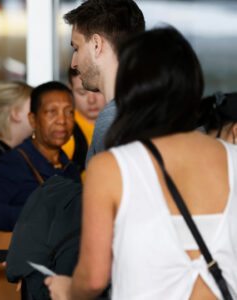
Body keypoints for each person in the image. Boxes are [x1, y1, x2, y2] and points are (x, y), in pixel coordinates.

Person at [45, 27, 237, 300]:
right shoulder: (231, 160)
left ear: (130, 86)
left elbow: (94, 278)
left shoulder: (111, 168)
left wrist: (67, 289)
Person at [0, 81, 81, 231]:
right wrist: (35, 215)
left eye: (69, 112)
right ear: (33, 119)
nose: (62, 120)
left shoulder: (70, 167)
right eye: (51, 112)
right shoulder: (14, 163)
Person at [64, 0, 145, 165]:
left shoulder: (112, 123)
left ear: (96, 45)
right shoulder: (158, 110)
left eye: (77, 48)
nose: (74, 63)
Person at [61, 68, 106, 174]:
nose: (91, 100)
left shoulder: (124, 125)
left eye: (97, 90)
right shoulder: (65, 133)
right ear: (70, 90)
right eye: (82, 93)